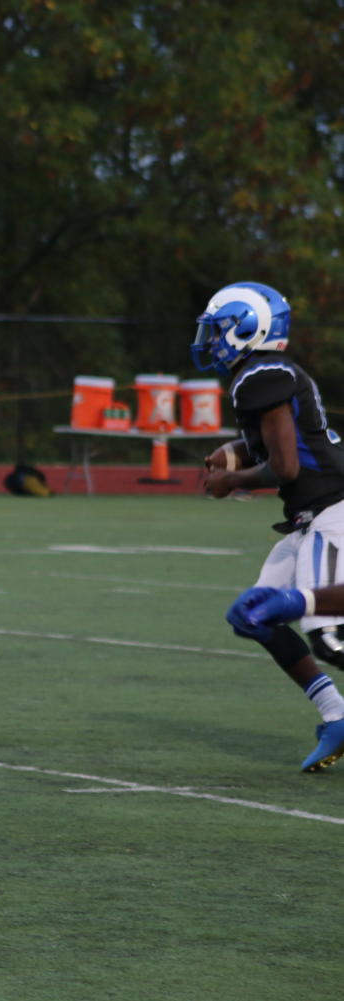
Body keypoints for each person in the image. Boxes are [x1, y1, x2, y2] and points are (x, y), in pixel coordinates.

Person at [194, 281, 344, 772]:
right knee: (251, 614)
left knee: (330, 636)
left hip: (331, 509)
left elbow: (286, 468)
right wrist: (232, 451)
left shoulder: (261, 374)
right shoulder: (263, 376)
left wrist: (229, 480)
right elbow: (281, 443)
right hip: (309, 514)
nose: (209, 339)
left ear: (246, 326)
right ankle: (336, 715)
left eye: (217, 329)